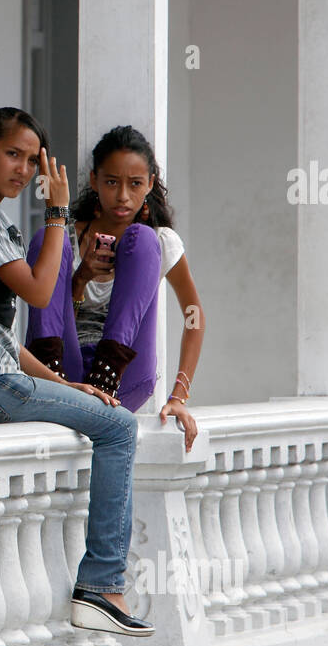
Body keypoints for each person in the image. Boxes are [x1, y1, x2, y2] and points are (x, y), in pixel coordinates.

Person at [0, 107, 153, 637]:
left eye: (31, 159)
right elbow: (42, 291)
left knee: (104, 413)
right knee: (119, 427)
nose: (23, 169)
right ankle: (101, 585)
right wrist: (57, 215)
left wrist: (67, 385)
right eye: (11, 154)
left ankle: (101, 586)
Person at [24, 126, 203, 452]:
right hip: (67, 375)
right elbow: (58, 314)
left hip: (123, 377)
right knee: (49, 239)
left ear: (149, 184)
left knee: (146, 240)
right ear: (94, 181)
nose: (123, 196)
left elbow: (194, 316)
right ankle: (51, 382)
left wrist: (179, 396)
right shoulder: (70, 238)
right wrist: (81, 279)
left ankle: (101, 382)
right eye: (111, 182)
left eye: (135, 184)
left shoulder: (162, 241)